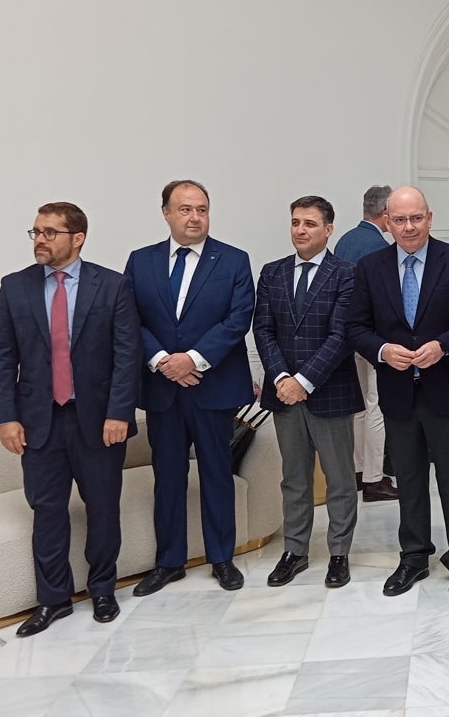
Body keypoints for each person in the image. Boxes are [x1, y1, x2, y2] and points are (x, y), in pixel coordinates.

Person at [0, 202, 141, 635]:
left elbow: (126, 356)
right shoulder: (14, 287)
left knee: (102, 508)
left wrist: (119, 412)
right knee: (48, 510)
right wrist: (6, 417)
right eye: (36, 231)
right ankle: (53, 600)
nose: (41, 239)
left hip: (97, 420)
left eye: (51, 232)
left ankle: (103, 589)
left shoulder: (112, 286)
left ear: (78, 238)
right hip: (39, 421)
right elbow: (3, 356)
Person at [346, 186, 449, 598]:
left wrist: (444, 346)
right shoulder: (371, 266)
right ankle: (414, 557)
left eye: (416, 218)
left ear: (429, 217)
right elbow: (356, 327)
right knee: (408, 479)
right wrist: (384, 351)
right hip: (398, 392)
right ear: (387, 220)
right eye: (400, 219)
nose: (408, 227)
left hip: (448, 391)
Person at [124, 180, 255, 595]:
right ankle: (169, 562)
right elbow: (129, 319)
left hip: (212, 388)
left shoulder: (233, 260)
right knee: (168, 477)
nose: (194, 216)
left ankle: (222, 558)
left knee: (217, 473)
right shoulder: (140, 262)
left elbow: (238, 319)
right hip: (163, 390)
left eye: (201, 208)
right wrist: (164, 361)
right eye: (184, 209)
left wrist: (192, 360)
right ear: (166, 213)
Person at [254, 195, 364, 590]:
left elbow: (342, 335)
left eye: (310, 224)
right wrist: (282, 377)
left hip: (328, 393)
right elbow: (263, 329)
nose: (301, 230)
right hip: (283, 395)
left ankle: (339, 553)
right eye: (296, 223)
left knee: (339, 478)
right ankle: (295, 551)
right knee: (294, 478)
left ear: (328, 229)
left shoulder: (346, 273)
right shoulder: (272, 273)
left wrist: (304, 381)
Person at [334, 184, 398, 503]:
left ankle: (359, 472)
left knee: (359, 407)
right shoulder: (378, 247)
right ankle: (375, 478)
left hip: (347, 337)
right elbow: (382, 300)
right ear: (385, 215)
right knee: (378, 405)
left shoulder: (345, 240)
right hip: (373, 337)